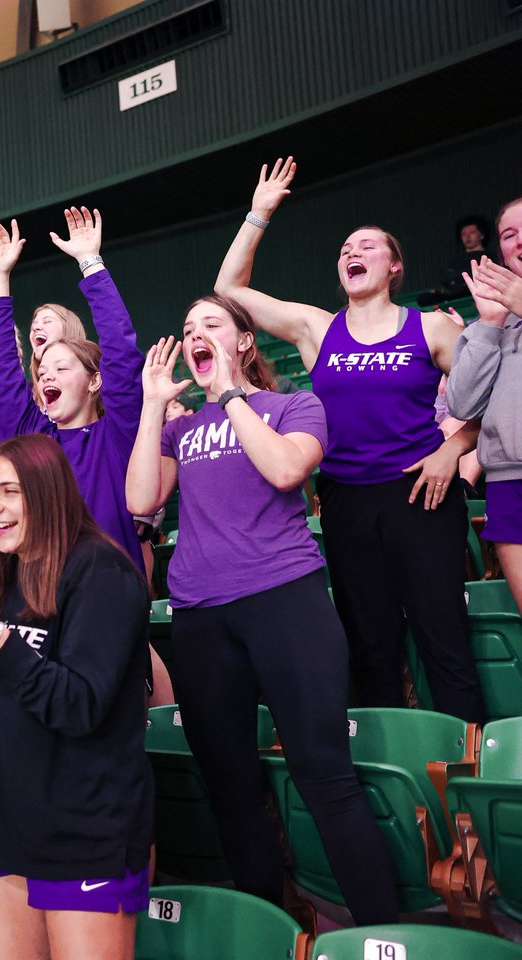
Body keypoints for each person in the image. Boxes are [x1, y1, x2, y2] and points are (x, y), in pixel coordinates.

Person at [126, 297, 398, 926]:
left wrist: (228, 398)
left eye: (211, 326)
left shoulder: (294, 407)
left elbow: (284, 470)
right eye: (188, 327)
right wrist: (149, 405)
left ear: (245, 343)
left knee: (324, 775)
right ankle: (269, 930)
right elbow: (141, 498)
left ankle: (382, 933)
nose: (195, 335)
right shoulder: (177, 428)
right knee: (230, 789)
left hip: (286, 603)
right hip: (201, 617)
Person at [214, 157, 486, 723]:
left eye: (366, 246)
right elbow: (228, 288)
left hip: (423, 495)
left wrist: (451, 450)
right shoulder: (317, 328)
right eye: (344, 249)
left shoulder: (431, 326)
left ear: (394, 266)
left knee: (444, 641)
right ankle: (395, 781)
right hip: (346, 501)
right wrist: (259, 213)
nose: (352, 253)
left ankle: (466, 791)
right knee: (371, 649)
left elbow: (492, 397)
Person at [0, 433, 153, 958]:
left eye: (10, 491)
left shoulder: (103, 571)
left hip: (85, 830)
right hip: (4, 825)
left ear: (48, 493)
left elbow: (79, 705)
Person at [0, 208, 145, 573]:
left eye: (62, 368)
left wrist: (90, 261)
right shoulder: (37, 439)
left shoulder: (119, 435)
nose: (47, 377)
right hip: (46, 598)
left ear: (94, 381)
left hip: (110, 595)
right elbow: (1, 372)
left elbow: (120, 349)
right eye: (43, 371)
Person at [447, 198, 522, 618]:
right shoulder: (487, 325)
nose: (518, 240)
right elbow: (462, 403)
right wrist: (491, 325)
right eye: (509, 235)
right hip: (510, 483)